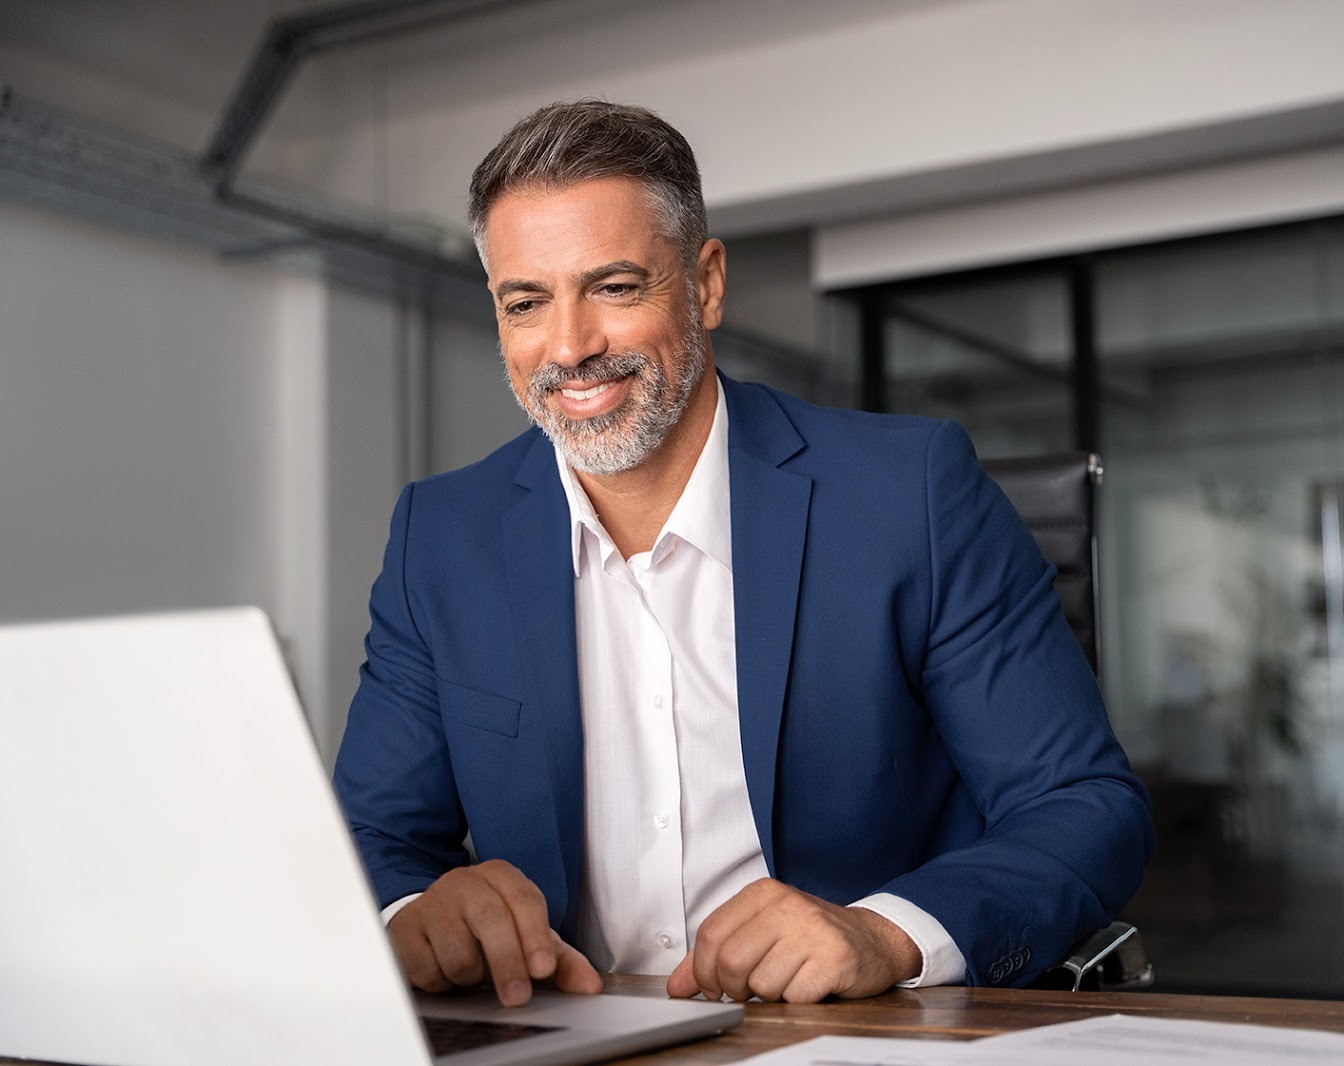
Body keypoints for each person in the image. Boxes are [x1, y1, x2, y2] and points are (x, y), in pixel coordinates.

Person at [332, 100, 1153, 1008]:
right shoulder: (440, 538)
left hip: (852, 1038)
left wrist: (887, 933)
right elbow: (371, 837)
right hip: (559, 1039)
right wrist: (415, 907)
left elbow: (1084, 806)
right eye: (526, 302)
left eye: (613, 287)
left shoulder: (909, 493)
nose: (569, 348)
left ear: (707, 284)